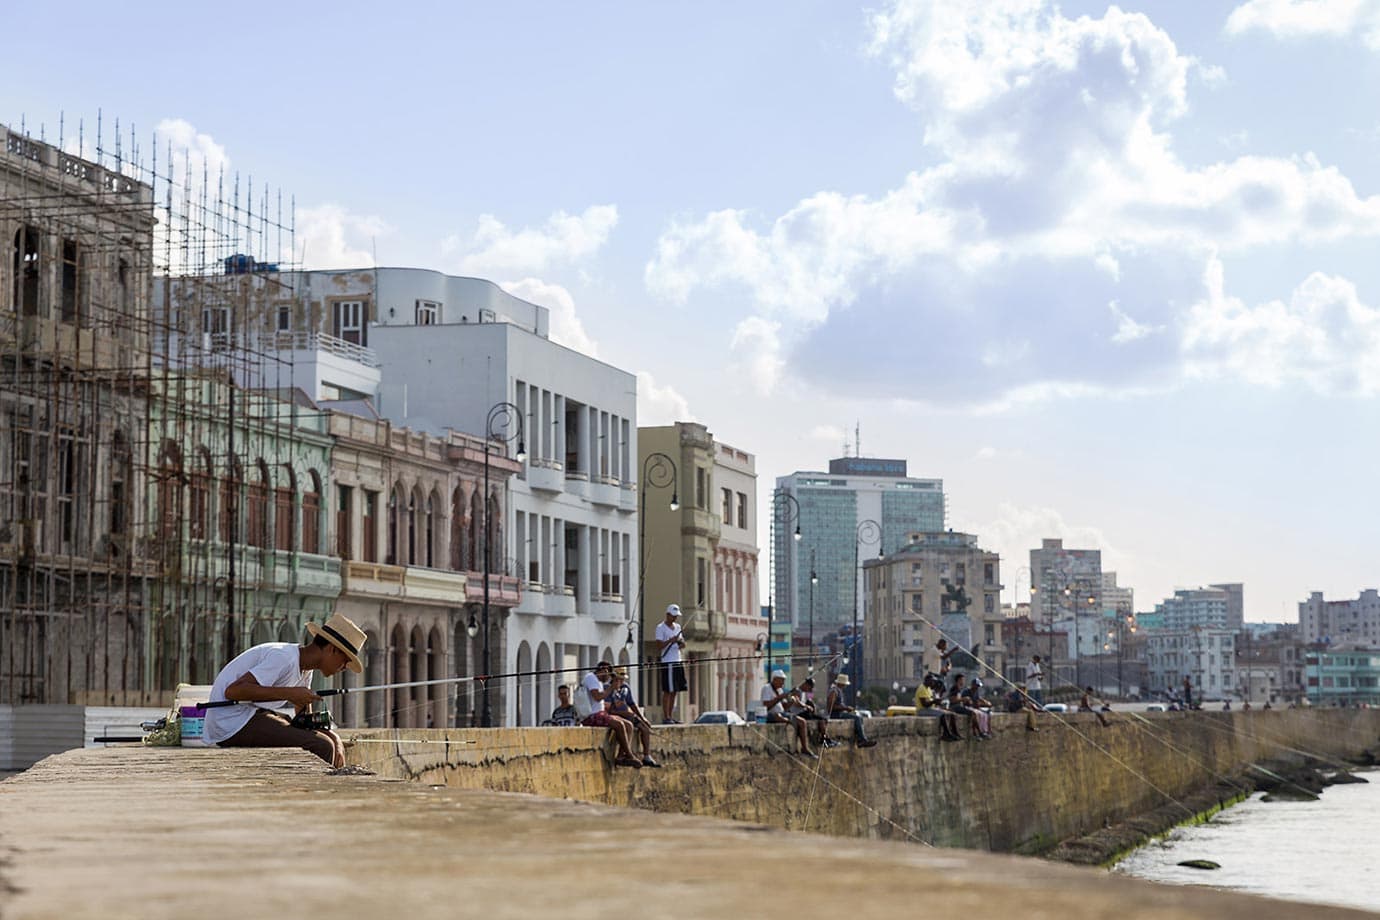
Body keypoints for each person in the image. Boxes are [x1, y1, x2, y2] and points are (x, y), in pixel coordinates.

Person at [203, 611, 365, 767]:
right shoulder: (284, 657)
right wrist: (290, 694)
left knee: (328, 741)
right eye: (345, 661)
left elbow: (303, 720)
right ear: (331, 649)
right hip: (232, 722)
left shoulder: (306, 669)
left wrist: (333, 736)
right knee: (321, 746)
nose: (344, 668)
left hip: (253, 715)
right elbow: (233, 691)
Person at [576, 660, 641, 768]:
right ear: (604, 670)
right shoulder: (591, 678)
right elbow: (597, 697)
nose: (609, 679)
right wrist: (611, 688)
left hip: (600, 713)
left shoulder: (598, 681)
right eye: (609, 675)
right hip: (591, 716)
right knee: (619, 725)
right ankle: (630, 755)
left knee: (628, 725)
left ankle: (621, 757)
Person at [607, 667, 661, 767]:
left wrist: (642, 717)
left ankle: (646, 756)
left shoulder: (625, 688)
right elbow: (608, 710)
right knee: (627, 727)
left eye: (622, 679)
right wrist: (624, 714)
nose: (621, 681)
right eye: (618, 679)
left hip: (628, 715)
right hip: (617, 716)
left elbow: (632, 704)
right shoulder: (608, 689)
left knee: (644, 728)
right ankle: (621, 755)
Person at [761, 670, 816, 757]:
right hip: (770, 714)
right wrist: (780, 697)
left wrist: (791, 701)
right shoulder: (767, 688)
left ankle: (804, 748)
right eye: (781, 680)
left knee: (802, 722)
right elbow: (766, 706)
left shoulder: (780, 690)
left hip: (782, 713)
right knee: (779, 717)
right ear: (775, 680)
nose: (783, 683)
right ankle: (788, 723)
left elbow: (784, 707)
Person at [655, 604, 688, 724]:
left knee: (675, 690)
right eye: (673, 616)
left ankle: (671, 715)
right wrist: (670, 640)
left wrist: (680, 642)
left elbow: (683, 645)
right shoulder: (660, 628)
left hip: (677, 661)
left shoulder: (678, 627)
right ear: (667, 615)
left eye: (676, 616)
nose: (675, 619)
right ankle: (666, 717)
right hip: (668, 662)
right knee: (668, 690)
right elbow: (659, 646)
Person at [826, 674, 877, 748]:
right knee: (857, 718)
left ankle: (861, 739)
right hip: (836, 715)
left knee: (859, 718)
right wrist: (845, 708)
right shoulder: (834, 691)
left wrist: (845, 709)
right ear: (842, 683)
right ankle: (862, 740)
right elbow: (831, 707)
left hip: (840, 713)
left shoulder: (838, 691)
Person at [786, 676, 835, 748]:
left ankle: (826, 738)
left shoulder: (804, 693)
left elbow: (809, 699)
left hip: (803, 712)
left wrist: (811, 704)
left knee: (823, 719)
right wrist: (806, 706)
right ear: (806, 685)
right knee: (820, 720)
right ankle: (825, 739)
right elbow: (796, 702)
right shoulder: (797, 691)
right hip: (798, 713)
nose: (810, 690)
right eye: (809, 688)